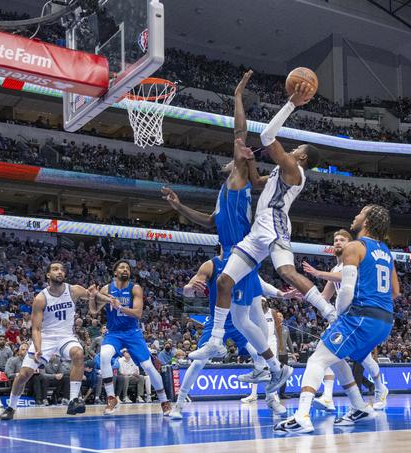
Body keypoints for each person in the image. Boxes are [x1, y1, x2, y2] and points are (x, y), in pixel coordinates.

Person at [164, 71, 302, 395]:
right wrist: (179, 206)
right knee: (245, 322)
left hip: (240, 256)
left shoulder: (240, 175)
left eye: (240, 149)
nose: (237, 148)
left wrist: (238, 96)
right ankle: (272, 371)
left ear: (243, 159)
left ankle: (238, 354)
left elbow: (239, 129)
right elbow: (210, 221)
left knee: (247, 320)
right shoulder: (224, 190)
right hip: (237, 258)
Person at [193, 82, 333, 397]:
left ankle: (328, 312)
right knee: (224, 282)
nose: (294, 148)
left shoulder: (294, 167)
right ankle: (217, 342)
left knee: (285, 273)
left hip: (276, 226)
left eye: (298, 148)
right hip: (258, 232)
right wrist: (248, 157)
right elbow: (257, 179)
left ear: (303, 156)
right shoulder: (282, 172)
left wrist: (290, 105)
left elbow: (268, 137)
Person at [275, 205, 400, 434]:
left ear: (368, 221)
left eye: (360, 213)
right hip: (385, 320)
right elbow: (395, 291)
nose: (355, 215)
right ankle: (359, 406)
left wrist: (342, 315)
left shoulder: (355, 247)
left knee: (317, 360)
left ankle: (302, 416)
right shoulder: (385, 252)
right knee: (336, 357)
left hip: (361, 318)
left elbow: (347, 291)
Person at [170, 250, 287, 419]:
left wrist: (281, 294)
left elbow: (261, 285)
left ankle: (271, 399)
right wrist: (190, 288)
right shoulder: (210, 265)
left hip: (239, 321)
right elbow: (188, 292)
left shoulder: (246, 264)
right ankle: (179, 404)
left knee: (260, 356)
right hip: (217, 321)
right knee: (198, 363)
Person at [0, 262, 113, 420]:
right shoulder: (41, 298)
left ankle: (73, 400)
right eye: (55, 269)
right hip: (45, 337)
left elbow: (92, 296)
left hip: (66, 336)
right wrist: (38, 348)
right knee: (24, 374)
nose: (59, 272)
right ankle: (11, 407)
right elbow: (36, 329)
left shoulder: (73, 290)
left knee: (78, 353)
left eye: (61, 270)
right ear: (48, 275)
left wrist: (107, 298)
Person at [303, 230, 388, 411]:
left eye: (342, 239)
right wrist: (302, 295)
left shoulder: (355, 262)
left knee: (363, 358)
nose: (338, 242)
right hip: (343, 318)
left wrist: (319, 273)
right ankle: (328, 396)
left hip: (359, 315)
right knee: (325, 353)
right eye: (335, 240)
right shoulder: (334, 269)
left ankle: (380, 387)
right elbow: (325, 296)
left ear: (350, 244)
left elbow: (347, 278)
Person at [90, 260, 170, 416]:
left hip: (132, 332)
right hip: (113, 333)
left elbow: (138, 313)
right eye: (121, 267)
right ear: (115, 272)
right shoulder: (106, 289)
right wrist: (93, 296)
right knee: (104, 356)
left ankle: (164, 401)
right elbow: (93, 310)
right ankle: (112, 398)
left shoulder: (135, 288)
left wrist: (119, 306)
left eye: (127, 268)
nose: (125, 269)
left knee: (148, 367)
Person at [241, 298, 282, 404]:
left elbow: (278, 329)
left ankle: (273, 394)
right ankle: (253, 394)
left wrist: (280, 344)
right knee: (258, 368)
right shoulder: (252, 312)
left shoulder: (272, 312)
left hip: (271, 342)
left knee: (272, 368)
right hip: (257, 342)